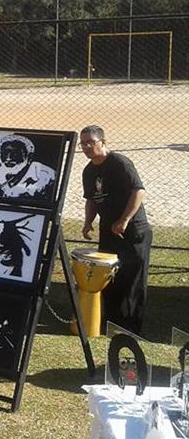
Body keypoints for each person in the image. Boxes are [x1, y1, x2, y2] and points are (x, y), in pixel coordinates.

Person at [81, 125, 151, 335]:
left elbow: (138, 192)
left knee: (132, 278)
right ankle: (109, 321)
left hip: (132, 230)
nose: (86, 147)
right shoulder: (89, 170)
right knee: (110, 276)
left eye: (90, 142)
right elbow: (91, 199)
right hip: (108, 229)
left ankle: (131, 327)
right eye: (82, 143)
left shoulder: (120, 163)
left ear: (102, 142)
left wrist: (124, 219)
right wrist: (87, 222)